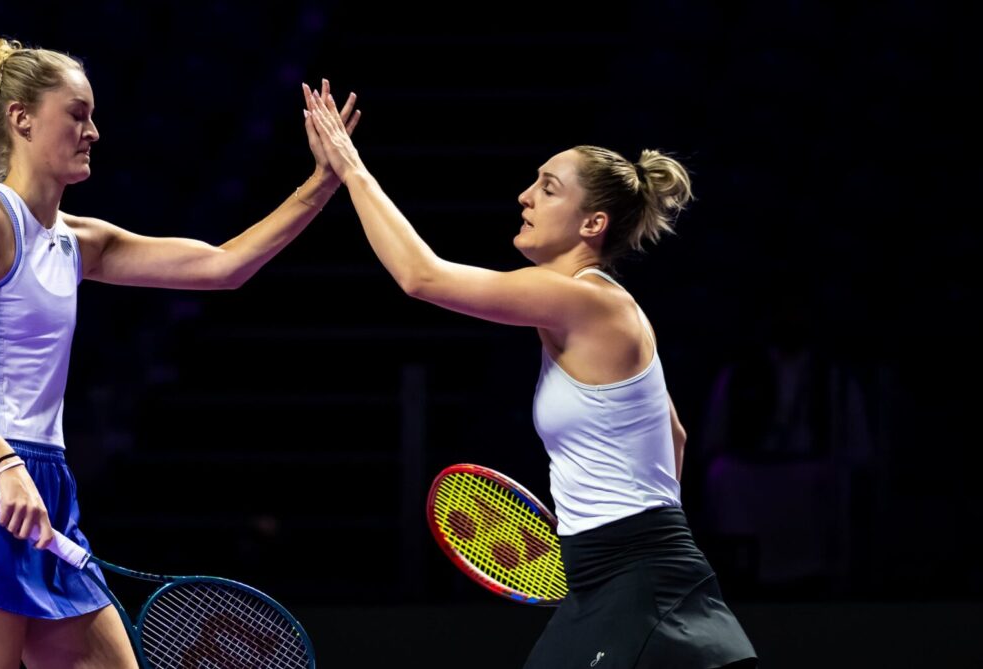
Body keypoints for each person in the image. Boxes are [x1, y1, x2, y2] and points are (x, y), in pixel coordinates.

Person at [0, 37, 359, 668]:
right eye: (76, 115)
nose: (93, 132)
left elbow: (223, 266)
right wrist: (4, 465)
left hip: (46, 486)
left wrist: (323, 183)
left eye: (93, 116)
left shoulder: (80, 241)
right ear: (21, 118)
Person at [303, 80, 756, 668]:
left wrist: (350, 167)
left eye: (548, 188)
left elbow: (423, 278)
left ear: (592, 225)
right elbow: (674, 436)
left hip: (643, 589)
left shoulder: (588, 302)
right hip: (621, 574)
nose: (524, 197)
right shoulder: (595, 310)